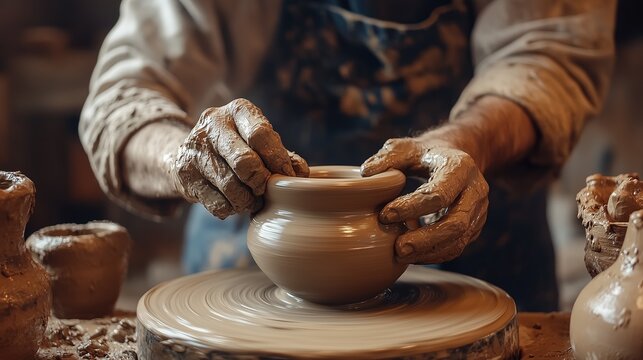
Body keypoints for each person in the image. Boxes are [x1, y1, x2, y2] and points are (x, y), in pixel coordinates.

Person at [80, 0, 616, 311]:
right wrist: (185, 154)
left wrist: (470, 139)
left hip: (467, 240)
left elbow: (550, 47)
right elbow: (122, 96)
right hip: (253, 258)